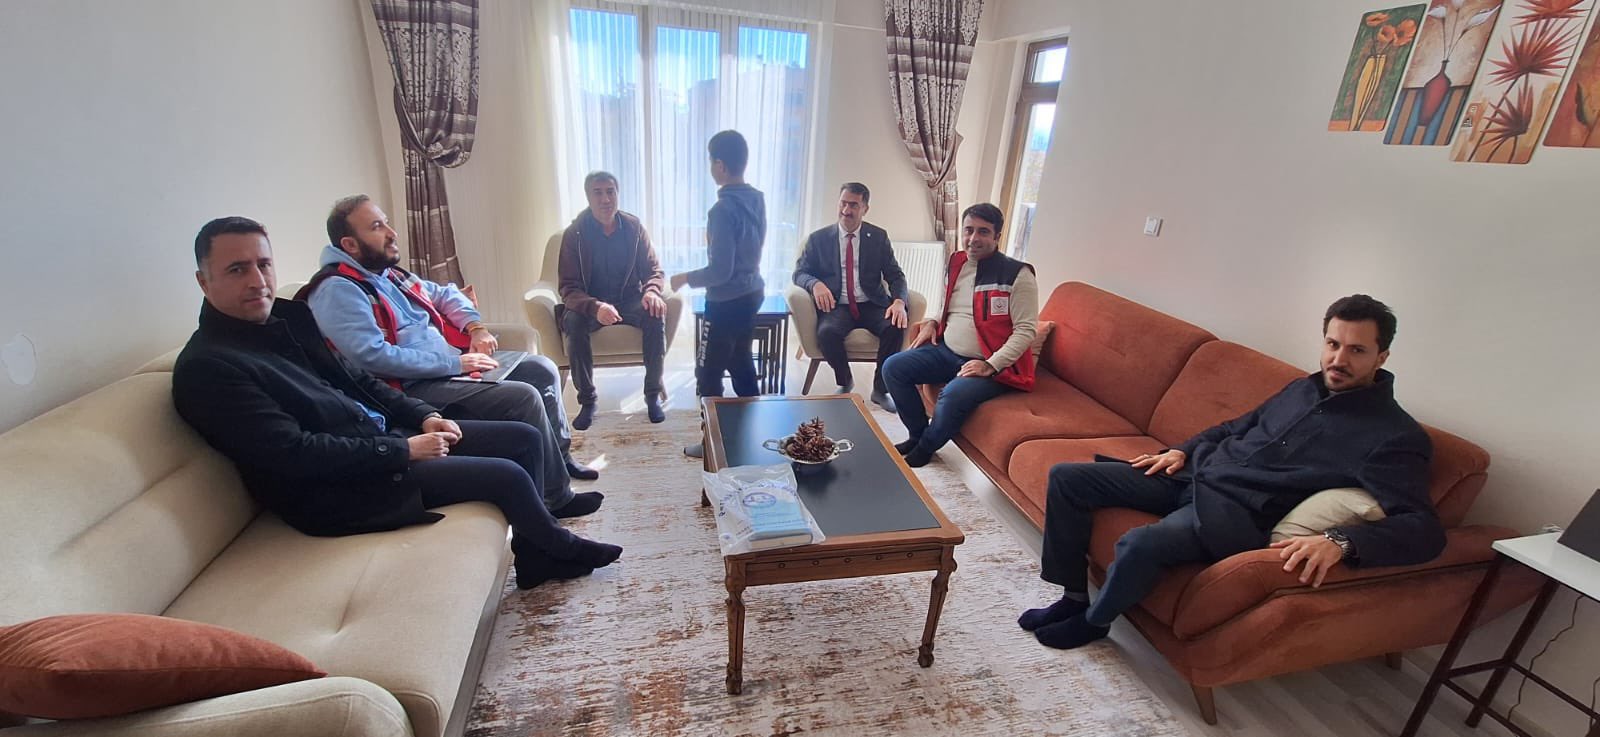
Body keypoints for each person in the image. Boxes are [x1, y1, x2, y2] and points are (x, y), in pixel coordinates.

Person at [172, 217, 622, 590]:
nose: (257, 281)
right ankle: (560, 546)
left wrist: (424, 416)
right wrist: (403, 450)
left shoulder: (288, 317)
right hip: (340, 486)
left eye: (263, 264)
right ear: (203, 281)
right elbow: (295, 454)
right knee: (507, 474)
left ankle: (537, 556)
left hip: (379, 436)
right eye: (237, 269)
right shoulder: (209, 368)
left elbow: (357, 378)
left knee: (523, 439)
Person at [1019, 295, 1444, 650]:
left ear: (1382, 356)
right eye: (1333, 344)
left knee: (1139, 543)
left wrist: (1341, 542)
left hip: (1230, 514)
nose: (1339, 359)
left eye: (1356, 350)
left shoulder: (1392, 436)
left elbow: (1424, 529)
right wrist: (1182, 451)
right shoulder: (1303, 388)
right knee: (1068, 478)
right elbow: (1234, 427)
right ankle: (1073, 597)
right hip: (1193, 474)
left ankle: (1094, 622)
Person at [302, 195, 602, 521]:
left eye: (386, 222)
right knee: (524, 397)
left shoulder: (388, 274)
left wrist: (475, 328)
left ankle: (560, 459)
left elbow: (446, 294)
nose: (392, 232)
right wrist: (456, 364)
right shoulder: (338, 290)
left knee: (542, 368)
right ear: (350, 244)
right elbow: (370, 357)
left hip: (447, 367)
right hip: (409, 387)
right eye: (377, 227)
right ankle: (555, 498)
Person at [881, 203, 1038, 468]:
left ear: (997, 236)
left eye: (983, 232)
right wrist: (932, 321)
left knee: (953, 395)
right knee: (893, 367)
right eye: (968, 230)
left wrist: (990, 365)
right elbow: (948, 303)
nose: (973, 238)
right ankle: (917, 435)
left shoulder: (1018, 275)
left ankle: (926, 447)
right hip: (947, 350)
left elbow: (1026, 331)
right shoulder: (957, 261)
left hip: (993, 365)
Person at [670, 130, 767, 458]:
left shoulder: (721, 210)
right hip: (752, 293)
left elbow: (720, 271)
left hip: (725, 303)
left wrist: (684, 278)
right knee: (741, 362)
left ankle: (713, 443)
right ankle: (752, 433)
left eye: (711, 162)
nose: (711, 167)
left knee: (707, 373)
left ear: (721, 165)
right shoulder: (756, 198)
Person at [558, 171, 668, 429]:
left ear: (617, 194)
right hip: (590, 303)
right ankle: (587, 401)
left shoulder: (634, 228)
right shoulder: (574, 234)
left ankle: (653, 394)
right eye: (598, 193)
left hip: (629, 299)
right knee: (572, 322)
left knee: (654, 313)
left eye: (610, 192)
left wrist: (652, 291)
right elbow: (568, 287)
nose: (605, 199)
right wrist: (595, 307)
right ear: (588, 197)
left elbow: (654, 270)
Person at [793, 182, 909, 411]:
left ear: (865, 208)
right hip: (838, 305)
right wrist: (815, 284)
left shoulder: (878, 237)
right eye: (843, 203)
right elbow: (799, 273)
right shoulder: (818, 239)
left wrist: (898, 301)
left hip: (871, 303)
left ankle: (880, 389)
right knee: (827, 333)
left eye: (853, 205)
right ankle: (845, 381)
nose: (846, 210)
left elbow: (896, 275)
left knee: (895, 326)